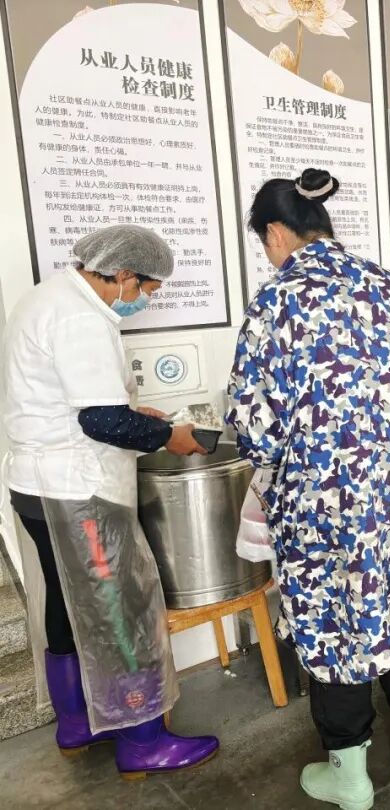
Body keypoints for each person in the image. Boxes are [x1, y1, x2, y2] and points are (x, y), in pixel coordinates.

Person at [227, 168, 390, 810]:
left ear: (275, 232)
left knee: (335, 621)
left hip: (325, 501)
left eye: (264, 243)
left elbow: (256, 426)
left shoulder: (276, 301)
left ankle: (350, 778)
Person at [1, 224, 217, 778]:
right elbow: (99, 421)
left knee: (66, 602)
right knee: (120, 608)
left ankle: (76, 724)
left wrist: (132, 414)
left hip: (36, 486)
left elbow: (76, 403)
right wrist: (169, 436)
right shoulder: (81, 317)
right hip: (78, 491)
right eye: (146, 289)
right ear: (122, 273)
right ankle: (143, 740)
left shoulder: (45, 299)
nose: (144, 301)